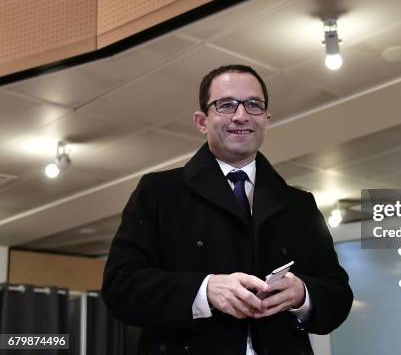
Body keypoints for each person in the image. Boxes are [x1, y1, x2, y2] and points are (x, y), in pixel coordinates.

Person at [102, 64, 353, 355]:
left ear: (267, 120)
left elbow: (338, 295)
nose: (241, 115)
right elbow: (120, 287)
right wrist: (204, 290)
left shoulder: (299, 204)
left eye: (254, 105)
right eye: (226, 105)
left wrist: (302, 295)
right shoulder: (158, 192)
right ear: (201, 121)